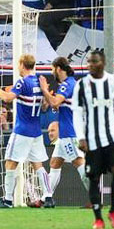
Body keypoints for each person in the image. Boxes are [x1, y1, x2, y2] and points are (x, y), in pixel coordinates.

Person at [71, 51, 114, 229]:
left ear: (103, 62)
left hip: (113, 136)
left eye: (94, 61)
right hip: (91, 139)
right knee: (94, 178)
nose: (90, 64)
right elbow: (77, 113)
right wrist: (80, 137)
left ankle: (113, 211)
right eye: (88, 61)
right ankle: (98, 218)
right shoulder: (81, 85)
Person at [0, 54, 53, 208]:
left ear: (23, 65)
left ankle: (8, 200)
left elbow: (7, 98)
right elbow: (44, 105)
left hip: (22, 130)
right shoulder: (39, 81)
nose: (17, 68)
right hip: (36, 131)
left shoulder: (23, 82)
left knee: (11, 163)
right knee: (38, 165)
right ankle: (49, 197)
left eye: (18, 65)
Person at [39, 57, 89, 202]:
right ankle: (45, 198)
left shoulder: (66, 85)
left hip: (69, 132)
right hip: (67, 132)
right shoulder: (73, 83)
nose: (52, 72)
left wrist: (44, 90)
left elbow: (54, 103)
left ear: (59, 69)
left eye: (52, 69)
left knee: (79, 162)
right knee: (55, 162)